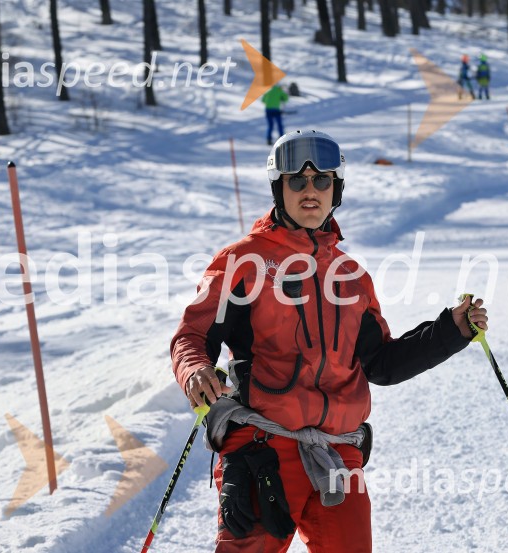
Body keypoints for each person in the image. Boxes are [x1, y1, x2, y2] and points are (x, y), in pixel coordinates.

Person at [170, 130, 489, 552]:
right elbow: (194, 333)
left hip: (339, 455)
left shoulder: (352, 277)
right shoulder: (243, 262)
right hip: (262, 449)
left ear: (335, 189)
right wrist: (196, 370)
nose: (309, 191)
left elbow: (382, 365)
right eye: (296, 181)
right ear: (278, 188)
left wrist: (452, 330)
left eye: (321, 181)